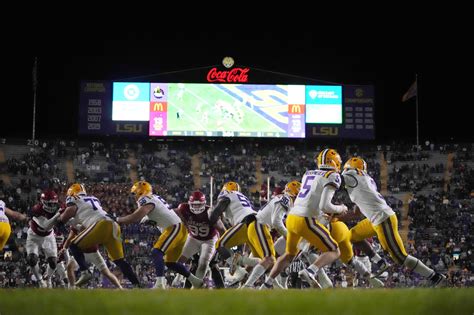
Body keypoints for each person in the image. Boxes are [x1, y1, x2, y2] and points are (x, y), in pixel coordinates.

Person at [342, 157, 446, 287]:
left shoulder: (351, 175)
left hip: (383, 220)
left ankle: (436, 277)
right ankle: (380, 262)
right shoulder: (364, 179)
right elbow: (356, 213)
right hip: (375, 219)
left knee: (400, 257)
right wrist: (335, 217)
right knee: (352, 236)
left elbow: (335, 180)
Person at [262, 148, 347, 289]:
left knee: (289, 254)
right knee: (334, 251)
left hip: (292, 219)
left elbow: (312, 200)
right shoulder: (333, 176)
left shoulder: (308, 173)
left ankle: (266, 285)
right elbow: (325, 205)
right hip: (306, 220)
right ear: (334, 162)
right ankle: (310, 271)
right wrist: (341, 208)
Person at [48, 183, 140, 288]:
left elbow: (65, 218)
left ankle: (84, 272)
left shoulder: (75, 200)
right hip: (114, 225)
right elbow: (83, 219)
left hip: (101, 225)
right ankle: (137, 284)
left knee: (74, 245)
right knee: (119, 261)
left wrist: (58, 218)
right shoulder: (93, 199)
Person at [117, 181, 202, 289]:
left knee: (157, 252)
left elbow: (136, 216)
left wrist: (119, 219)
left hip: (174, 228)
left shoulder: (145, 199)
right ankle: (196, 281)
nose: (134, 197)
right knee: (170, 262)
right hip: (179, 229)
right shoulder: (154, 198)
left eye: (134, 193)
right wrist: (150, 219)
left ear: (140, 192)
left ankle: (160, 284)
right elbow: (161, 212)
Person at [209, 181, 276, 288]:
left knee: (220, 245)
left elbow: (215, 213)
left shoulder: (227, 195)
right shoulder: (242, 197)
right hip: (252, 224)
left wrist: (210, 220)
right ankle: (250, 278)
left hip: (246, 222)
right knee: (265, 262)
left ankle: (240, 267)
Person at [175, 191, 226, 287]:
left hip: (209, 240)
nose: (197, 207)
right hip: (193, 238)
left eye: (199, 205)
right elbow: (173, 212)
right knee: (179, 259)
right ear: (190, 203)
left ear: (204, 203)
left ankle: (197, 286)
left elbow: (223, 229)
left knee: (203, 264)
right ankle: (178, 277)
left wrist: (225, 243)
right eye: (194, 205)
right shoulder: (183, 208)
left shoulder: (210, 212)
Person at [26, 190, 61, 287]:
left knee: (53, 262)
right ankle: (40, 281)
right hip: (34, 236)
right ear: (43, 202)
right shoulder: (37, 209)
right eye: (50, 204)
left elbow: (65, 221)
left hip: (48, 236)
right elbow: (46, 225)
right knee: (32, 259)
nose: (52, 206)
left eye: (54, 204)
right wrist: (58, 214)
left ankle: (48, 277)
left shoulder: (58, 208)